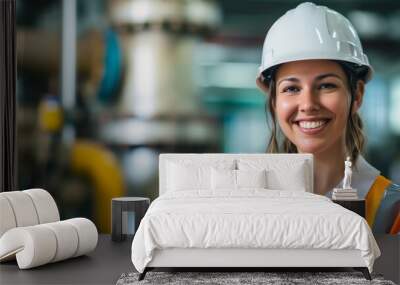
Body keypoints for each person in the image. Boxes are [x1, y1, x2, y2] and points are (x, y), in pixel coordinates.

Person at [256, 2, 399, 234]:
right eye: (291, 88)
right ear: (274, 102)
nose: (308, 104)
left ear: (357, 95)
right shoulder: (250, 205)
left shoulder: (392, 211)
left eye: (326, 85)